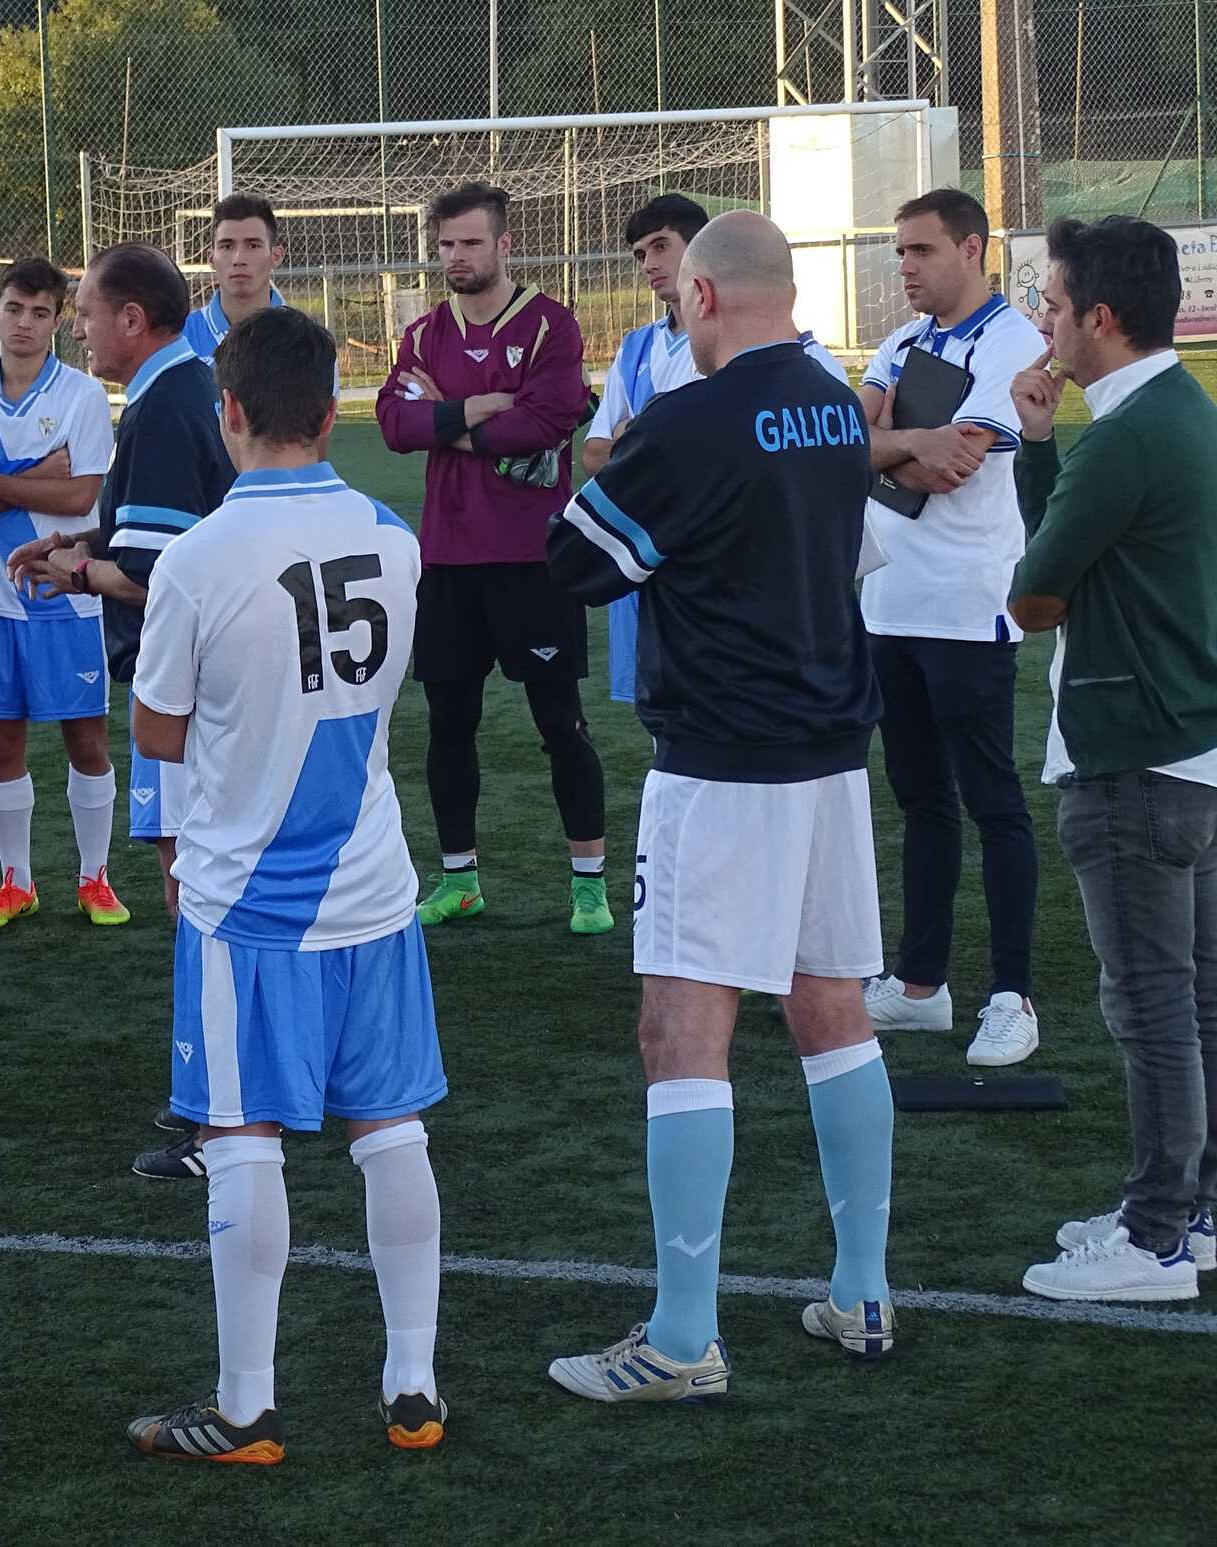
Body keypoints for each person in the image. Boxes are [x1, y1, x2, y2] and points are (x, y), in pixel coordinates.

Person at [543, 210, 895, 1399]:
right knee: (832, 1008)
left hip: (722, 758)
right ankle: (863, 1290)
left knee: (682, 1030)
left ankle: (684, 1336)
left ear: (699, 297)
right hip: (831, 753)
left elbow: (580, 562)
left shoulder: (689, 417)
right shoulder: (837, 404)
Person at [121, 304, 450, 1463]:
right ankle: (414, 1383)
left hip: (246, 896)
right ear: (329, 410)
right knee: (391, 1125)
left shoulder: (198, 556)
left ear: (230, 412)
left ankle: (247, 1405)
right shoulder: (394, 537)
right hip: (371, 880)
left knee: (241, 1131)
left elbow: (156, 729)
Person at [1010, 215, 1217, 1303]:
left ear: (1098, 316)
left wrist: (1043, 458)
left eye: (1050, 305)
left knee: (1151, 1008)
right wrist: (1043, 449)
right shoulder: (1188, 414)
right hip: (1194, 747)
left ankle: (1156, 1239)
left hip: (1132, 754)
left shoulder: (1128, 436)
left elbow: (1035, 596)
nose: (1042, 324)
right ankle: (1195, 1214)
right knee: (1197, 1001)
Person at [6, 243, 234, 1181]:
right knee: (199, 891)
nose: (78, 330)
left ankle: (219, 1112)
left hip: (186, 694)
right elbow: (146, 542)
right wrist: (79, 541)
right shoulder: (174, 392)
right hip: (197, 688)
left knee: (196, 893)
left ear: (132, 320)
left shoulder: (168, 404)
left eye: (88, 314)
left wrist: (75, 571)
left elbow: (153, 576)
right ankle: (212, 1090)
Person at [377, 183, 608, 936]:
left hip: (532, 557)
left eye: (471, 242)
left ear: (505, 244)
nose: (456, 256)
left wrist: (443, 415)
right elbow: (394, 423)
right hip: (447, 558)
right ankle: (460, 881)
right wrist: (479, 406)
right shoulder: (422, 335)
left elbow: (547, 421)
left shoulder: (550, 326)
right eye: (446, 244)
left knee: (560, 721)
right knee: (449, 724)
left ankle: (589, 887)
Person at [853, 189, 1045, 1069]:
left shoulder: (1011, 341)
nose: (905, 266)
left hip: (969, 606)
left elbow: (955, 464)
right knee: (920, 796)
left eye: (921, 250)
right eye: (900, 251)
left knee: (992, 800)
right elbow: (849, 442)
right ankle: (921, 985)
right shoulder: (901, 341)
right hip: (889, 602)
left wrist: (895, 439)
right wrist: (907, 441)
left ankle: (1013, 995)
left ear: (972, 249)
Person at [585, 195, 848, 707]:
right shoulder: (636, 348)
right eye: (640, 254)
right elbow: (595, 455)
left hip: (753, 588)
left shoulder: (802, 363)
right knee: (670, 715)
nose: (650, 263)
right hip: (658, 576)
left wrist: (642, 437)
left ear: (703, 250)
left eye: (661, 246)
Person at [0, 257, 123, 932]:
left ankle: (95, 877)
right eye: (14, 309)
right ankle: (15, 881)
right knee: (2, 744)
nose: (25, 323)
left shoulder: (82, 396)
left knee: (86, 738)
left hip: (65, 595)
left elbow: (81, 497)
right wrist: (36, 473)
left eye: (40, 312)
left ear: (57, 321)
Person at [182, 194, 290, 360]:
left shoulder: (307, 341)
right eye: (227, 246)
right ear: (211, 258)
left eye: (253, 246)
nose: (238, 259)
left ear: (276, 256)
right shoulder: (179, 338)